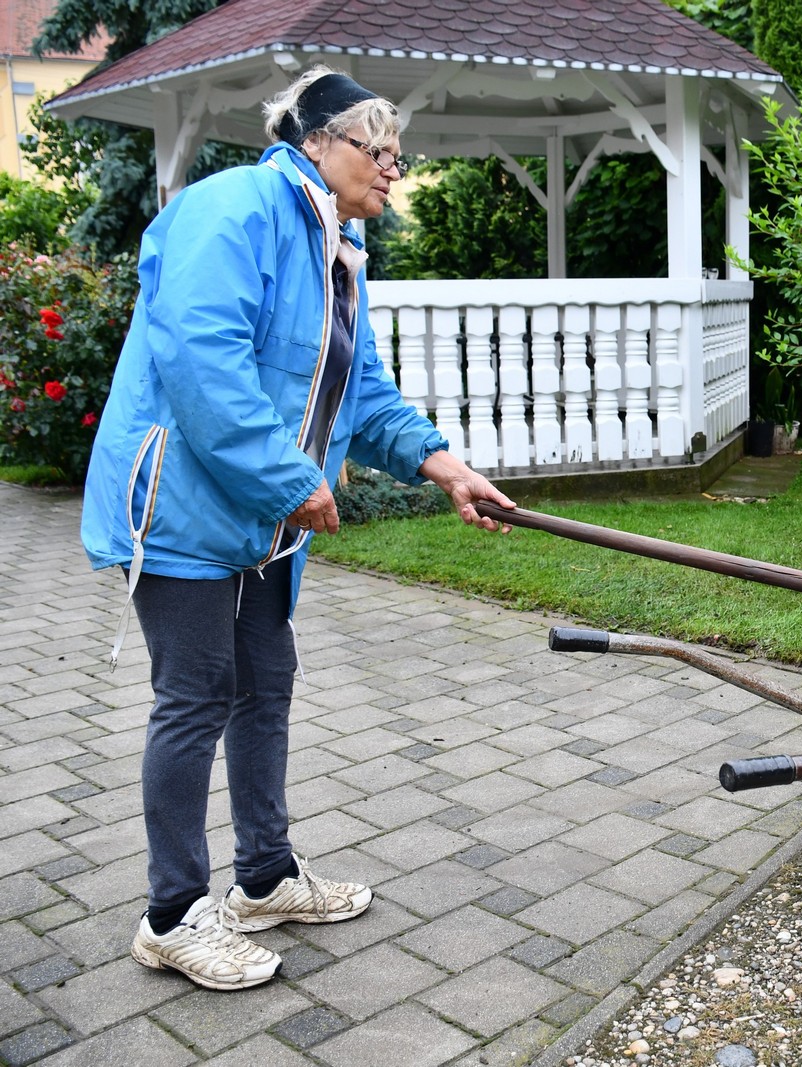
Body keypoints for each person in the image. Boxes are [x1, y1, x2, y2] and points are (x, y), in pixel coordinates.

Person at [79, 66, 516, 991]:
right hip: (189, 508)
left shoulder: (339, 250)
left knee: (265, 683)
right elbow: (203, 359)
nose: (393, 170)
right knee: (195, 697)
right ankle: (170, 915)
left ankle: (265, 876)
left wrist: (444, 465)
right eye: (378, 150)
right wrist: (288, 480)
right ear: (315, 142)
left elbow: (359, 390)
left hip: (262, 521)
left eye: (400, 155)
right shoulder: (233, 210)